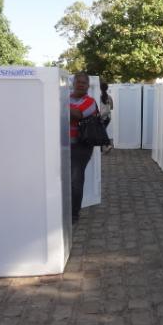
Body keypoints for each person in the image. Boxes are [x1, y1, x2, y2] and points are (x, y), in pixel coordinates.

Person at [69, 72, 97, 224]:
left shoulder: (90, 101)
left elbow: (78, 114)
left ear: (88, 86)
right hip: (63, 145)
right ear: (73, 83)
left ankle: (74, 214)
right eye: (78, 82)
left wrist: (60, 104)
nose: (80, 84)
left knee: (76, 180)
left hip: (81, 147)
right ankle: (64, 208)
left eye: (84, 83)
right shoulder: (66, 99)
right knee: (64, 180)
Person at [99, 81, 114, 154]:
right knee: (102, 131)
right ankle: (102, 149)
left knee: (101, 132)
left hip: (101, 117)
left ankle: (107, 145)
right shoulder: (109, 97)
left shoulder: (98, 96)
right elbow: (111, 107)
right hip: (108, 117)